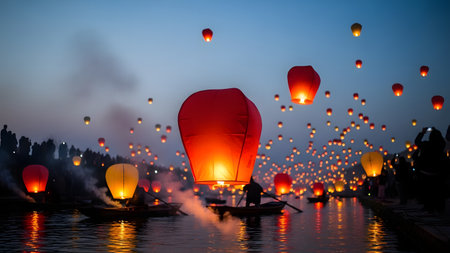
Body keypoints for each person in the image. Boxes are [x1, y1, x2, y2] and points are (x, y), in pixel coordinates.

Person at [414, 127, 446, 213]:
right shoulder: (440, 146)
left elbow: (417, 141)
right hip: (437, 172)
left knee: (427, 191)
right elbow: (443, 142)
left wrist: (422, 132)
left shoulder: (426, 145)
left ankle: (429, 207)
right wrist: (436, 131)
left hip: (426, 172)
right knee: (438, 191)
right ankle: (439, 208)